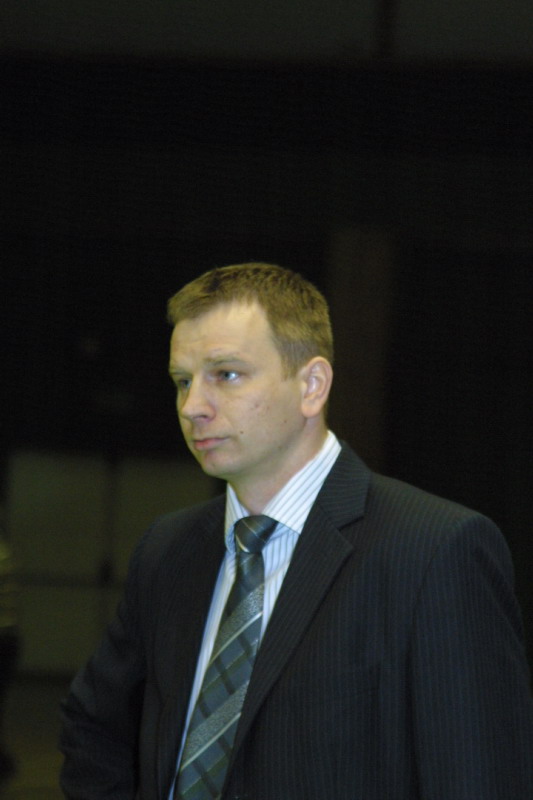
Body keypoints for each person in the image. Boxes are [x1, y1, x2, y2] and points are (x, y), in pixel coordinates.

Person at [59, 262, 533, 799]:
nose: (192, 407)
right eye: (183, 381)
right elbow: (93, 727)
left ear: (312, 386)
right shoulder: (168, 548)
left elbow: (478, 775)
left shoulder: (434, 550)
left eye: (226, 375)